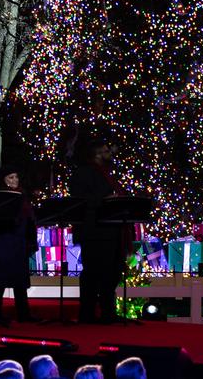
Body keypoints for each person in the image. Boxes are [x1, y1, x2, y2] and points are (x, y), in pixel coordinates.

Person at [70, 136, 126, 324]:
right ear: (96, 154)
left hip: (111, 229)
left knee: (111, 272)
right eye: (106, 151)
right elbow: (80, 200)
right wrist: (106, 198)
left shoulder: (106, 173)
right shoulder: (84, 173)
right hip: (94, 231)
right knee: (93, 272)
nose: (110, 153)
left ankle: (107, 312)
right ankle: (87, 313)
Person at [0, 165, 39, 325]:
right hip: (4, 240)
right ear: (3, 180)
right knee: (0, 278)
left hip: (19, 240)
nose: (15, 180)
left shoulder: (22, 196)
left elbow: (29, 218)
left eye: (16, 177)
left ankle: (23, 313)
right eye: (11, 177)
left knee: (20, 279)